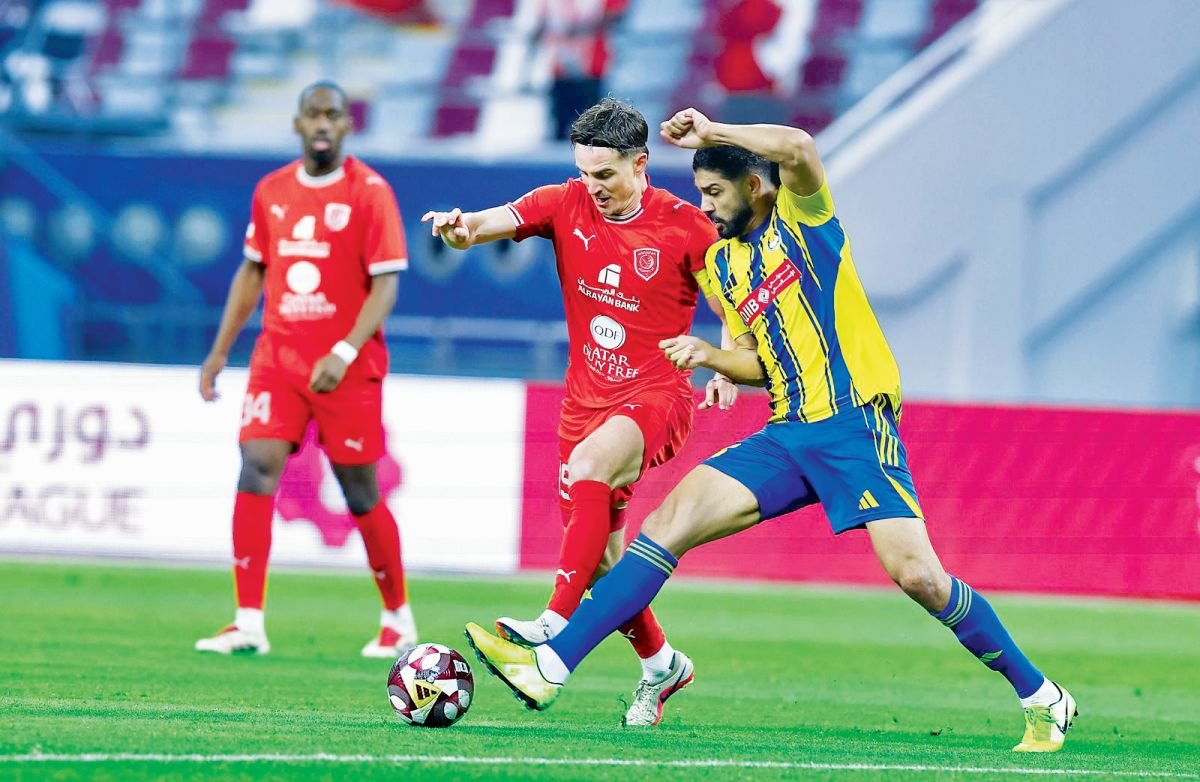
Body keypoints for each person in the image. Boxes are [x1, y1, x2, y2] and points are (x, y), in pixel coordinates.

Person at [464, 108, 1078, 753]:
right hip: (786, 432)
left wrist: (714, 134)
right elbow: (760, 363)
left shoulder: (805, 223)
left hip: (853, 424)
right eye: (700, 192)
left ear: (754, 186)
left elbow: (800, 147)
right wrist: (711, 357)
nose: (705, 207)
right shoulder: (726, 263)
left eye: (714, 193)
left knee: (919, 577)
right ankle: (551, 665)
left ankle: (1042, 696)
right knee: (666, 525)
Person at [422, 97, 735, 726]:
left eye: (606, 174)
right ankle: (662, 664)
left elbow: (732, 301)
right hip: (581, 404)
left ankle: (552, 624)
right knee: (602, 563)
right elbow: (488, 223)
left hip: (657, 395)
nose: (592, 187)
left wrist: (725, 365)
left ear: (640, 164)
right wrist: (460, 228)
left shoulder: (685, 226)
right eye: (584, 173)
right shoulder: (563, 202)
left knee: (592, 467)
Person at [195, 81, 417, 659]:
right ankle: (248, 621)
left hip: (348, 366)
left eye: (332, 115)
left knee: (359, 488)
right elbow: (253, 271)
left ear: (347, 125)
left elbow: (386, 285)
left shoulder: (370, 193)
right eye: (313, 115)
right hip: (280, 359)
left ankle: (397, 618)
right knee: (256, 465)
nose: (322, 124)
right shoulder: (271, 191)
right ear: (297, 123)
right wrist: (220, 351)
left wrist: (344, 351)